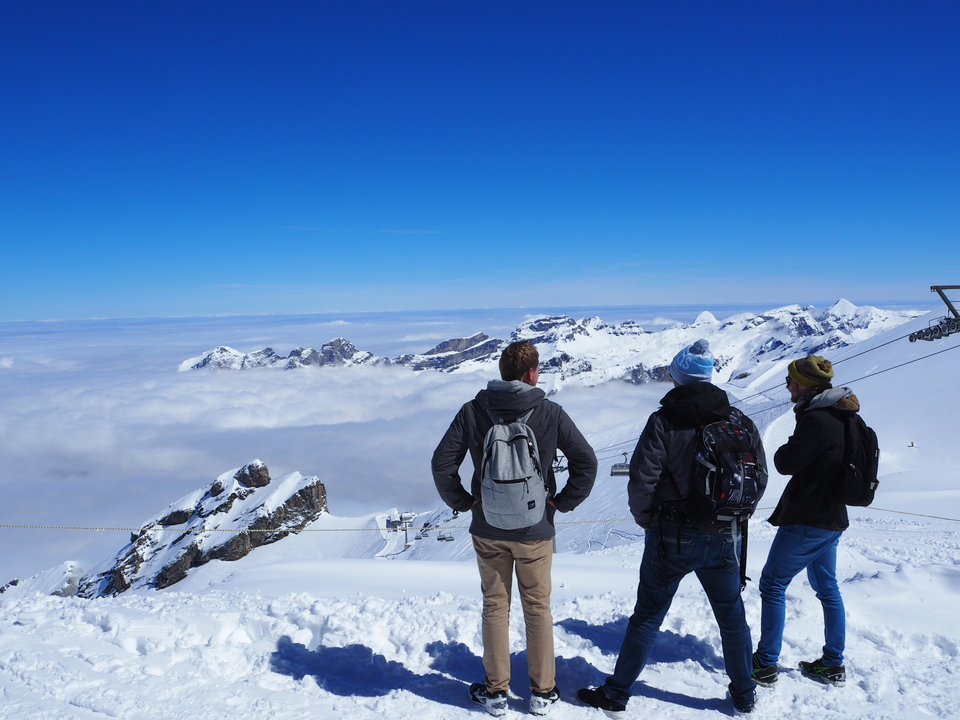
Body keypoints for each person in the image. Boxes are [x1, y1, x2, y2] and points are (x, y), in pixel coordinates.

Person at [578, 339, 765, 718]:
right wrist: (735, 516)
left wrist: (648, 521)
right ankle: (745, 694)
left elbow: (641, 480)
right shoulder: (737, 421)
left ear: (677, 378)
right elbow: (758, 475)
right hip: (723, 536)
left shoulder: (664, 421)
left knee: (648, 616)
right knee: (731, 617)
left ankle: (616, 694)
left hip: (671, 535)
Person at [432, 340, 597, 717]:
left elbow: (442, 464)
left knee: (495, 606)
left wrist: (466, 502)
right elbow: (586, 462)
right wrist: (559, 503)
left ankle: (495, 693)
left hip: (488, 528)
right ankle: (542, 693)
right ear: (531, 373)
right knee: (537, 608)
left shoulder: (473, 411)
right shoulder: (550, 412)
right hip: (535, 529)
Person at [752, 354, 856, 688]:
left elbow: (785, 462)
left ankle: (765, 664)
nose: (787, 386)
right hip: (833, 516)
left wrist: (788, 447)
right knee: (828, 588)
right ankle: (833, 663)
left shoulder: (816, 419)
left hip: (809, 518)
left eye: (790, 381)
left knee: (772, 584)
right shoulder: (847, 414)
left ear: (804, 385)